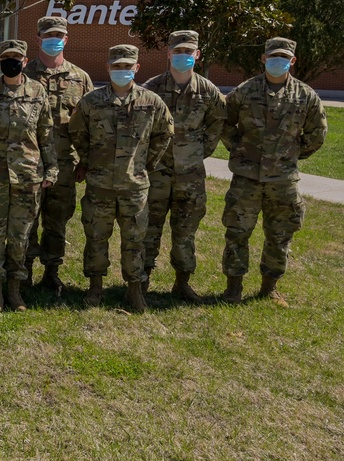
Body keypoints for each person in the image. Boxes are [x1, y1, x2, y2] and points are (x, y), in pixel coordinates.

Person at [219, 37, 327, 307]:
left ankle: (270, 287)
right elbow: (224, 122)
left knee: (279, 235)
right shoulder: (245, 91)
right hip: (246, 178)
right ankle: (233, 287)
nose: (278, 61)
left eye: (284, 57)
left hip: (283, 181)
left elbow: (318, 133)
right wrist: (239, 149)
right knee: (237, 232)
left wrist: (291, 155)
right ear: (264, 59)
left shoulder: (305, 95)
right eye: (273, 56)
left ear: (292, 60)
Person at [69, 44, 173, 313]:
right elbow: (77, 132)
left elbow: (165, 133)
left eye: (128, 66)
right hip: (100, 185)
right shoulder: (92, 102)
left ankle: (134, 290)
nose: (122, 71)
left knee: (135, 241)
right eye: (117, 66)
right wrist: (88, 160)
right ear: (108, 68)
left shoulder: (151, 102)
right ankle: (95, 288)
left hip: (134, 187)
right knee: (96, 237)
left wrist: (146, 164)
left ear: (136, 68)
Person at [0, 39, 57, 312]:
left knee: (21, 235)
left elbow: (46, 134)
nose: (11, 62)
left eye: (16, 57)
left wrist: (51, 168)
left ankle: (15, 289)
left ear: (25, 61)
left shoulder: (38, 92)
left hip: (28, 175)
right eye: (6, 57)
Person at [141, 30, 225, 302]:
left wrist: (197, 153)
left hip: (190, 177)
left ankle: (182, 282)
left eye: (188, 52)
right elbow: (140, 130)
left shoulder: (208, 92)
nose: (183, 56)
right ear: (168, 54)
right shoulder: (151, 88)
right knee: (148, 228)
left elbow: (216, 126)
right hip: (156, 173)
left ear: (197, 55)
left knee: (185, 231)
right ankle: (141, 281)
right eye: (178, 51)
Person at [22, 16, 93, 293]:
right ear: (38, 38)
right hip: (29, 164)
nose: (54, 40)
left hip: (64, 164)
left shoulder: (80, 78)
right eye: (48, 35)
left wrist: (85, 161)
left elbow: (89, 124)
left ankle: (52, 272)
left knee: (57, 220)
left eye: (59, 35)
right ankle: (24, 271)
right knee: (27, 218)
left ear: (66, 39)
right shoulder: (24, 74)